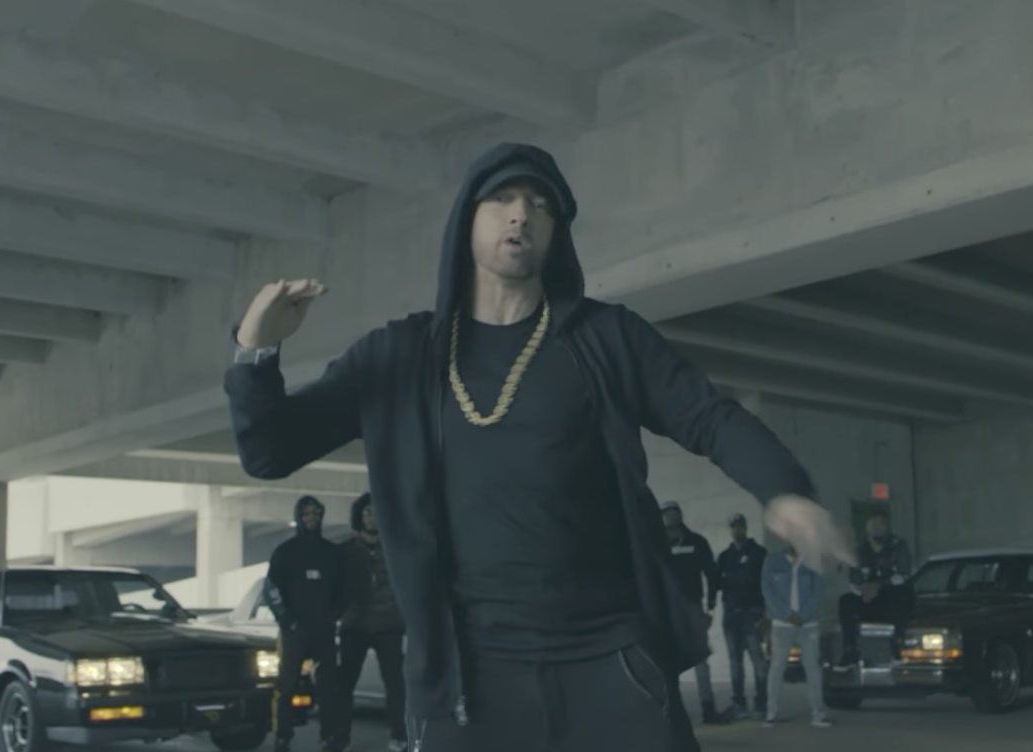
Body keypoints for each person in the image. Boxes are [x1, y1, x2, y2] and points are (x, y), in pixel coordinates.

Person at [223, 142, 855, 752]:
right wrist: (255, 353)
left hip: (609, 657)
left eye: (541, 204)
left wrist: (784, 491)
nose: (522, 213)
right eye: (502, 198)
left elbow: (710, 417)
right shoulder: (399, 356)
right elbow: (271, 452)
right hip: (467, 675)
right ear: (467, 219)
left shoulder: (607, 339)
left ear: (556, 232)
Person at [264, 496, 350, 752]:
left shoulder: (334, 553)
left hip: (323, 630)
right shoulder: (285, 552)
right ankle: (283, 738)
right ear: (299, 517)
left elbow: (345, 589)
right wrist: (287, 621)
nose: (311, 517)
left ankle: (329, 737)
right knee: (287, 685)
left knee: (329, 687)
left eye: (315, 513)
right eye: (306, 513)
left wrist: (333, 616)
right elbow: (271, 589)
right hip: (294, 632)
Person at [338, 493, 408, 752]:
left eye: (376, 512)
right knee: (345, 684)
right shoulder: (345, 551)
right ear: (359, 517)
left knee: (396, 685)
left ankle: (399, 735)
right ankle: (340, 737)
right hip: (353, 625)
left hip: (389, 624)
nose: (371, 518)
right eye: (367, 512)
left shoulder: (395, 549)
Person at [659, 501, 726, 725]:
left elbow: (712, 574)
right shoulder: (655, 544)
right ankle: (670, 712)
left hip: (693, 608)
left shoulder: (697, 542)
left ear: (680, 515)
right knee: (666, 661)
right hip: (666, 611)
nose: (671, 517)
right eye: (667, 514)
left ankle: (708, 709)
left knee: (701, 660)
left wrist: (710, 607)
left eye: (674, 513)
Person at [761, 542, 830, 728]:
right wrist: (786, 614)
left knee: (812, 668)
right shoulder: (773, 560)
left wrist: (803, 615)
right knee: (777, 667)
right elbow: (768, 590)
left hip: (808, 624)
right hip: (781, 624)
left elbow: (818, 590)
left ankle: (818, 713)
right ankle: (771, 713)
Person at [837, 511, 914, 666]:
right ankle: (850, 650)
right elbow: (854, 579)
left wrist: (878, 586)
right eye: (874, 524)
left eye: (881, 524)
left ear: (886, 527)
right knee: (845, 601)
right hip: (868, 598)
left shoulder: (898, 545)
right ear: (867, 528)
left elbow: (904, 574)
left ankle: (898, 645)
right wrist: (864, 591)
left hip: (891, 596)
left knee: (903, 594)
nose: (877, 528)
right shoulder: (859, 550)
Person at [715, 513, 769, 719]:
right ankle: (739, 703)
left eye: (740, 526)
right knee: (735, 663)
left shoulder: (758, 553)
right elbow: (717, 583)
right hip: (731, 616)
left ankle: (761, 705)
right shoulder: (724, 556)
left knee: (758, 661)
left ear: (746, 528)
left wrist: (765, 612)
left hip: (753, 614)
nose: (737, 530)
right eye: (733, 527)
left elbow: (766, 583)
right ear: (730, 530)